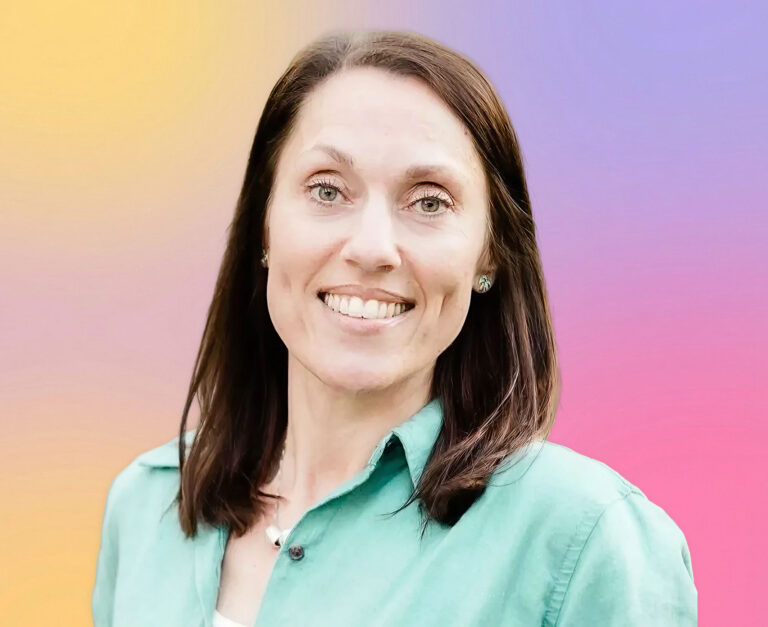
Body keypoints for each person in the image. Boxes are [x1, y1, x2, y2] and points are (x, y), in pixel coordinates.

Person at [92, 29, 697, 626]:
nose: (372, 247)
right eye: (327, 190)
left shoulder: (587, 541)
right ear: (264, 227)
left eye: (429, 201)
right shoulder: (144, 508)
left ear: (489, 255)